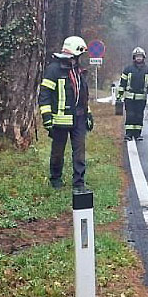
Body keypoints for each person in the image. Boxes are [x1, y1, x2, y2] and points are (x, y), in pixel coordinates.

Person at [38, 36, 94, 192]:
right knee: (57, 152)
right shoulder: (54, 70)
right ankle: (55, 179)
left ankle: (79, 182)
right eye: (79, 55)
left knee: (79, 151)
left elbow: (82, 95)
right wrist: (47, 117)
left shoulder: (78, 71)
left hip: (79, 119)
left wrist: (88, 113)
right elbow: (44, 95)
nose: (79, 59)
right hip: (60, 120)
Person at [117, 47, 148, 141]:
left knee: (139, 115)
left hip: (141, 98)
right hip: (129, 97)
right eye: (137, 56)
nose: (139, 58)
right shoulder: (128, 69)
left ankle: (137, 134)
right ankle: (129, 134)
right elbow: (122, 83)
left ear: (143, 57)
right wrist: (119, 95)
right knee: (130, 115)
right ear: (134, 58)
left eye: (140, 56)